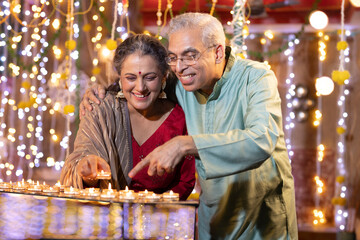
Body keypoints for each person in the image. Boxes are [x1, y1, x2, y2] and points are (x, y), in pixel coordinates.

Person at [80, 13, 298, 239]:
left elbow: (262, 140)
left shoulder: (256, 78)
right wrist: (101, 93)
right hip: (211, 222)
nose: (180, 67)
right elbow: (143, 84)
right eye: (173, 57)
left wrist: (185, 145)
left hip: (262, 224)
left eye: (190, 56)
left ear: (218, 52)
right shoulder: (181, 80)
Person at [60, 34, 195, 201]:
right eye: (131, 78)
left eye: (150, 77)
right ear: (120, 78)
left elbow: (185, 182)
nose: (140, 87)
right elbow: (82, 155)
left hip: (160, 219)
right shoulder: (102, 110)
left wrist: (155, 210)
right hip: (105, 219)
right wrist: (87, 169)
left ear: (163, 78)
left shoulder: (181, 120)